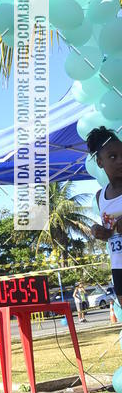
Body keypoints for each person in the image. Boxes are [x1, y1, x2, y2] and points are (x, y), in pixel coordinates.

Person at [87, 126, 122, 311]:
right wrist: (97, 231)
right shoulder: (101, 196)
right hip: (119, 266)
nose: (120, 160)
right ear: (100, 162)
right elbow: (110, 230)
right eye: (113, 157)